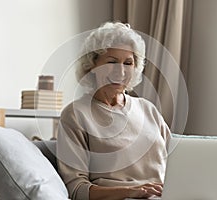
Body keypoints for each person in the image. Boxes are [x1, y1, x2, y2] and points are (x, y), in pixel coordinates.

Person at [57, 21, 171, 200]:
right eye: (111, 62)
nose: (121, 71)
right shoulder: (76, 114)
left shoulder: (148, 109)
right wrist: (131, 191)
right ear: (92, 65)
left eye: (128, 63)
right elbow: (76, 189)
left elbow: (179, 163)